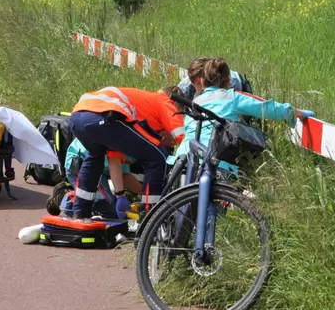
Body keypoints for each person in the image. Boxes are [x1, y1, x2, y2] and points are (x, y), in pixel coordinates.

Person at [172, 58, 314, 181]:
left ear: (202, 82)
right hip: (218, 165)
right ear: (229, 80)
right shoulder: (233, 97)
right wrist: (296, 113)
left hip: (182, 162)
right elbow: (269, 108)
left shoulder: (193, 104)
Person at [69, 86, 185, 219]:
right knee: (157, 158)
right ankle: (151, 217)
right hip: (105, 116)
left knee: (95, 157)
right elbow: (182, 136)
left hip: (77, 116)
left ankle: (79, 213)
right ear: (176, 105)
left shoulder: (143, 105)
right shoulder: (165, 101)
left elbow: (114, 156)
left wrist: (120, 195)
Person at [59, 138, 142, 217]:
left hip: (99, 166)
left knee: (113, 206)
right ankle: (66, 199)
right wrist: (147, 195)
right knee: (108, 207)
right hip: (80, 163)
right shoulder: (126, 142)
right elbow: (124, 177)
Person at [178, 57, 252, 101]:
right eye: (198, 84)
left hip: (240, 88)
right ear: (192, 82)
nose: (203, 86)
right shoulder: (185, 86)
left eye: (204, 81)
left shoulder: (228, 82)